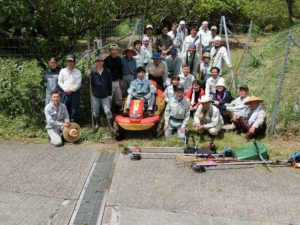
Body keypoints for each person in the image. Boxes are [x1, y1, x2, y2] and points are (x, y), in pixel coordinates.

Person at [89, 55, 115, 132]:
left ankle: (111, 126)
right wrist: (88, 74)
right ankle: (97, 124)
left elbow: (109, 83)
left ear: (103, 62)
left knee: (107, 110)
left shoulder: (107, 71)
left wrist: (110, 94)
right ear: (95, 63)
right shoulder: (93, 71)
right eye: (97, 61)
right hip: (95, 95)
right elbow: (90, 83)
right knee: (95, 110)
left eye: (100, 61)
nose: (99, 63)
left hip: (105, 95)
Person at [58, 54, 82, 122]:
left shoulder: (78, 72)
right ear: (66, 62)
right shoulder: (62, 71)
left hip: (74, 93)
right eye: (68, 61)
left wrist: (71, 90)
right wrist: (65, 89)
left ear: (74, 62)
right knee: (64, 108)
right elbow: (59, 82)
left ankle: (73, 124)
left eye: (71, 61)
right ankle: (64, 124)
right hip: (64, 93)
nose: (69, 62)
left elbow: (78, 84)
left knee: (74, 109)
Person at [104, 44, 123, 113]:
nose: (114, 51)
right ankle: (109, 115)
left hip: (117, 81)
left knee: (119, 98)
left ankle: (118, 113)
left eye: (116, 49)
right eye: (112, 49)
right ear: (110, 51)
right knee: (109, 99)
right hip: (109, 83)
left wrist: (121, 79)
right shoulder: (106, 60)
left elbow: (120, 70)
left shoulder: (119, 59)